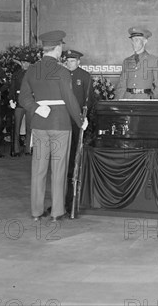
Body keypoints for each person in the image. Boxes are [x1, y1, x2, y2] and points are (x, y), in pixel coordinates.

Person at [19, 30, 87, 222]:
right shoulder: (62, 71)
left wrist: (36, 108)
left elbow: (23, 97)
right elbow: (69, 99)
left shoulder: (32, 70)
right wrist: (81, 121)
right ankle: (57, 212)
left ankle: (36, 212)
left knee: (38, 169)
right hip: (60, 125)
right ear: (57, 48)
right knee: (59, 169)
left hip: (40, 124)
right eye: (61, 48)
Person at [62, 49, 95, 212]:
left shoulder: (85, 77)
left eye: (73, 61)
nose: (70, 63)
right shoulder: (61, 75)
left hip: (77, 122)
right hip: (62, 120)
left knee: (75, 154)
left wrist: (85, 116)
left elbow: (90, 100)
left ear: (78, 62)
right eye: (67, 61)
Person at [114, 27, 158, 100]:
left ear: (145, 42)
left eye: (137, 40)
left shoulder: (155, 61)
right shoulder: (126, 61)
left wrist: (150, 98)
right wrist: (117, 103)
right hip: (127, 101)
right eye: (132, 40)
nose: (133, 43)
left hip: (145, 102)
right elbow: (121, 86)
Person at [8, 53, 34, 156]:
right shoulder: (17, 74)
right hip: (19, 102)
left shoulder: (34, 74)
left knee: (29, 127)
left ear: (30, 64)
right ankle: (16, 149)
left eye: (27, 63)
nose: (25, 65)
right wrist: (11, 100)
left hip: (30, 102)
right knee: (16, 127)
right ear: (21, 63)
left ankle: (28, 148)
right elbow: (12, 88)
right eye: (23, 62)